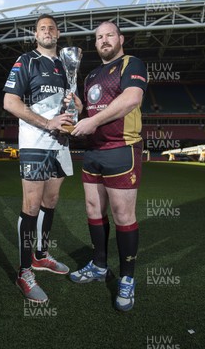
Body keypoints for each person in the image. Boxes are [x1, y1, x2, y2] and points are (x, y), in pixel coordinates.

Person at [68, 21, 147, 311]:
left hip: (121, 149)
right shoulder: (90, 75)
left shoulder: (132, 63)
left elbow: (131, 98)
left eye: (109, 35)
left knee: (123, 214)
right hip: (93, 151)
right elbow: (89, 112)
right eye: (99, 37)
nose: (104, 40)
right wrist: (77, 108)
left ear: (120, 38)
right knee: (92, 209)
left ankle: (127, 278)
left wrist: (92, 120)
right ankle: (99, 265)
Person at [3, 14, 81, 303]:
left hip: (60, 144)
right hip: (35, 142)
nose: (47, 31)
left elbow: (76, 104)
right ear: (36, 35)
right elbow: (9, 102)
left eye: (52, 27)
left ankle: (40, 255)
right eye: (42, 28)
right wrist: (45, 122)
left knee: (51, 202)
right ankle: (24, 272)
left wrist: (76, 105)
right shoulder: (27, 61)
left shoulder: (66, 65)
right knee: (31, 206)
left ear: (58, 34)